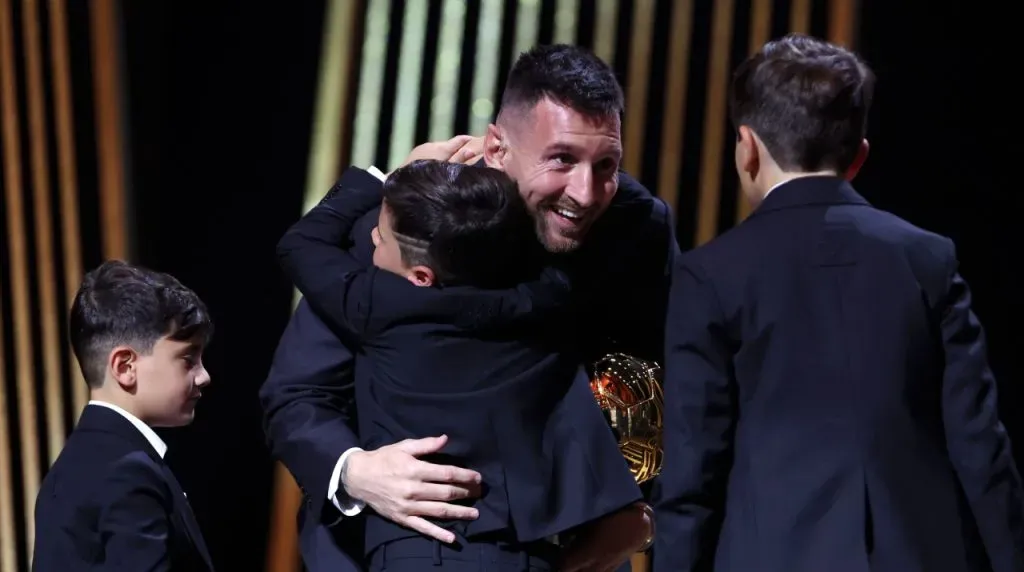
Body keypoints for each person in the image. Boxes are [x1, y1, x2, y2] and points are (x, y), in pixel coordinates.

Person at [260, 43, 679, 571]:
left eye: (607, 165)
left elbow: (672, 375)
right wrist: (355, 472)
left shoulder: (637, 227)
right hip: (398, 547)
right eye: (562, 160)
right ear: (497, 148)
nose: (587, 192)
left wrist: (643, 514)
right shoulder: (408, 217)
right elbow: (297, 393)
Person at [654, 34, 1024, 572]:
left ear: (746, 148)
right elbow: (981, 449)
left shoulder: (710, 275)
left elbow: (691, 476)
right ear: (859, 157)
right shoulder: (926, 258)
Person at [276, 158, 649, 571]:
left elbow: (301, 245)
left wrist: (376, 177)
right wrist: (352, 471)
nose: (371, 243)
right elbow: (297, 397)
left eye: (378, 239)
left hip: (421, 551)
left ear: (421, 276)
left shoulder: (378, 305)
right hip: (530, 554)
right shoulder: (546, 299)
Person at [32, 260, 215, 572]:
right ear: (125, 367)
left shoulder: (74, 466)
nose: (204, 376)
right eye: (188, 359)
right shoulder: (126, 472)